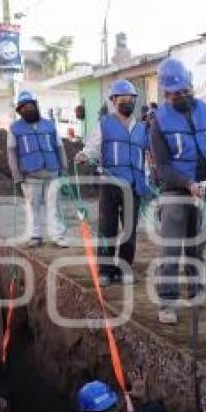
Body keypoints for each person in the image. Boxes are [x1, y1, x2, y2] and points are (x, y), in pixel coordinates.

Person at [150, 58, 206, 325]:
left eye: (184, 91)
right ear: (165, 93)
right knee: (172, 250)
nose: (180, 96)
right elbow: (162, 166)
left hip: (205, 192)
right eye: (174, 94)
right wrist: (187, 184)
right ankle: (168, 302)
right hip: (176, 191)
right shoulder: (158, 121)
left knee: (197, 248)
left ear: (192, 87)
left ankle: (196, 291)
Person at [75, 80, 150, 286]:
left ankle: (124, 269)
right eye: (122, 99)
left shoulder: (142, 128)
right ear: (113, 101)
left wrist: (149, 179)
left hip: (133, 186)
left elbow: (148, 156)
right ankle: (106, 270)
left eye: (131, 99)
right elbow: (91, 149)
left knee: (129, 231)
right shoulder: (104, 125)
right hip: (109, 184)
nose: (127, 102)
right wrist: (83, 155)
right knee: (107, 229)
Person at [7, 90, 69, 248]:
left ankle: (58, 236)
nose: (28, 109)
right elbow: (12, 152)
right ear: (19, 111)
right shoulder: (15, 128)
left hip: (52, 171)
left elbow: (59, 147)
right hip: (30, 175)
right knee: (32, 206)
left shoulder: (49, 125)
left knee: (54, 205)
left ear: (36, 105)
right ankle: (35, 236)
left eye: (30, 105)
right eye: (24, 107)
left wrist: (64, 167)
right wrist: (16, 175)